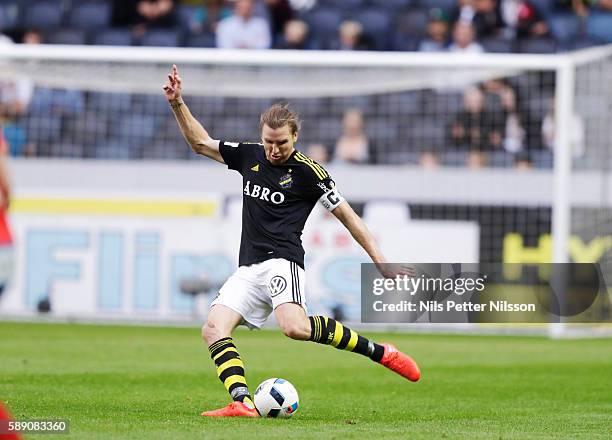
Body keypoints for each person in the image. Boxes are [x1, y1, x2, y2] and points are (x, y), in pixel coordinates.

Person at [163, 65, 421, 417]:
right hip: (248, 266)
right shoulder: (249, 155)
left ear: (295, 137)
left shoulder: (309, 173)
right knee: (211, 329)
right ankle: (242, 402)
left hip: (282, 260)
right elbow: (199, 143)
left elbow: (348, 216)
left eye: (281, 142)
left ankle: (380, 352)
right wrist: (178, 103)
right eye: (269, 141)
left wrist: (380, 260)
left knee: (294, 328)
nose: (273, 149)